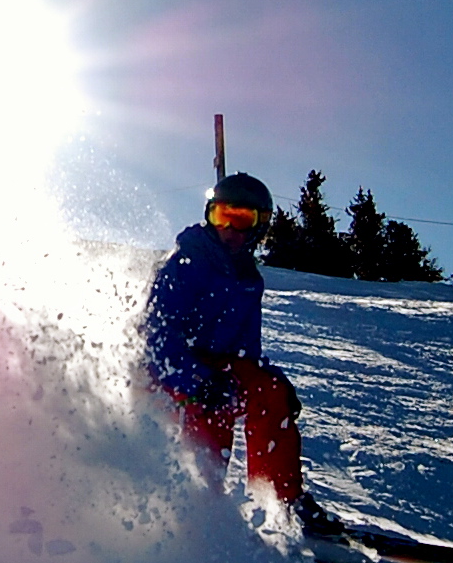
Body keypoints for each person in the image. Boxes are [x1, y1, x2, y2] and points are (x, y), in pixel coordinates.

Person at [141, 172, 342, 536]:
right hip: (168, 372)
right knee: (213, 405)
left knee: (269, 393)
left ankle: (281, 503)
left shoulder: (248, 280)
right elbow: (155, 337)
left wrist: (274, 382)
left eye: (242, 220)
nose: (229, 230)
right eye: (222, 216)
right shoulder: (185, 263)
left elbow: (246, 352)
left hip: (213, 369)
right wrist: (197, 379)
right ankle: (200, 508)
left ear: (259, 226)